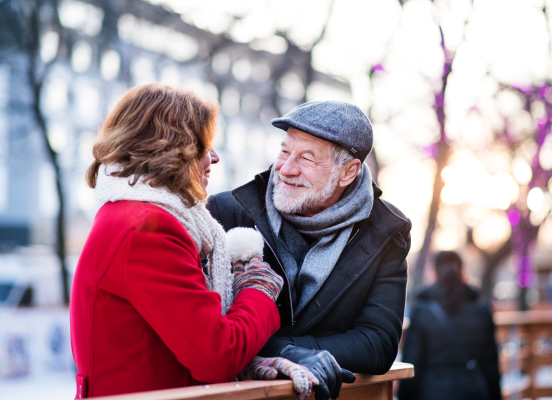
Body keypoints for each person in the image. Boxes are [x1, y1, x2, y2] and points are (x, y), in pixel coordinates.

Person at [70, 83, 290, 398]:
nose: (214, 158)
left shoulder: (129, 216)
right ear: (174, 149)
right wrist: (258, 290)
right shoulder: (148, 229)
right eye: (205, 144)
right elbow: (217, 356)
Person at [207, 100, 412, 400]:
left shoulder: (386, 232)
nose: (286, 169)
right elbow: (210, 327)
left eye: (306, 158)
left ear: (348, 172)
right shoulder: (227, 212)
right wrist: (292, 353)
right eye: (285, 151)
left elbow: (377, 343)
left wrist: (285, 348)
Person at [398, 251, 502, 400]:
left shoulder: (421, 311)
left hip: (431, 393)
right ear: (462, 271)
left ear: (434, 273)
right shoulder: (481, 310)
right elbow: (491, 366)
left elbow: (412, 363)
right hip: (472, 392)